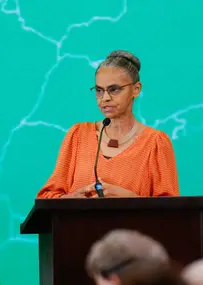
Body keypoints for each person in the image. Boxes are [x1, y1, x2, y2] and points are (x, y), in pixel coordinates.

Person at [37, 50, 179, 199]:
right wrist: (69, 199)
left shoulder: (156, 143)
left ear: (136, 89)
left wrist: (130, 199)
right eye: (99, 90)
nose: (105, 98)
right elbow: (46, 197)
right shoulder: (77, 135)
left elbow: (170, 213)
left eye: (114, 90)